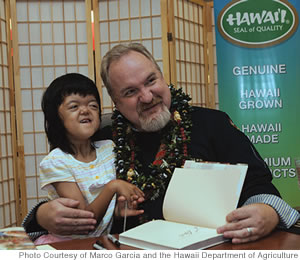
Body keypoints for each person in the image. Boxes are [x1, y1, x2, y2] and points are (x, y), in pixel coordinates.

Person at [23, 44, 300, 244]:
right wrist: (44, 215)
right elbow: (70, 194)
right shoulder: (103, 138)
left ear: (162, 76)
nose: (146, 96)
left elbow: (260, 184)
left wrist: (268, 211)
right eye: (130, 92)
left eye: (151, 81)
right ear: (116, 103)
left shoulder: (212, 124)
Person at [32, 73, 144, 245]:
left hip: (100, 243)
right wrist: (113, 186)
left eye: (93, 105)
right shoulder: (56, 162)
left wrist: (117, 211)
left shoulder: (109, 148)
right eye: (74, 106)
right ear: (56, 117)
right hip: (64, 245)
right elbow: (85, 221)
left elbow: (102, 207)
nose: (85, 110)